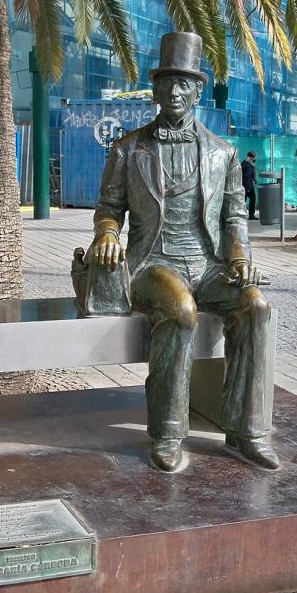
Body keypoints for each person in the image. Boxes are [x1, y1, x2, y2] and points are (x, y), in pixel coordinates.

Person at [86, 32, 277, 473]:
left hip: (208, 263)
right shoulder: (128, 148)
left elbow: (234, 216)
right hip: (153, 262)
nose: (174, 92)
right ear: (154, 89)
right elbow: (108, 209)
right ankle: (168, 432)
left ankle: (246, 431)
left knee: (257, 308)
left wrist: (240, 259)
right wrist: (108, 235)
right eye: (166, 82)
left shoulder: (223, 152)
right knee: (182, 312)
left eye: (183, 84)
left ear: (197, 90)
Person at [241, 151, 258, 220]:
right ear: (251, 157)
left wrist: (254, 179)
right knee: (252, 199)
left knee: (243, 200)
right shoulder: (248, 165)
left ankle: (244, 215)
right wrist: (248, 187)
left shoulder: (246, 163)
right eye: (254, 157)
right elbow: (247, 176)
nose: (255, 159)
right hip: (247, 185)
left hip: (245, 184)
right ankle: (251, 215)